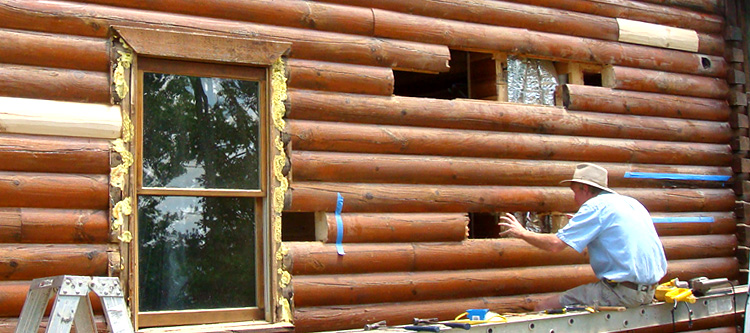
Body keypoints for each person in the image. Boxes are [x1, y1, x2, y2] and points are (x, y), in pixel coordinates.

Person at [498, 163, 667, 311]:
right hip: (649, 291)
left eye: (575, 192)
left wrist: (522, 233)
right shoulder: (631, 203)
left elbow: (555, 245)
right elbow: (617, 238)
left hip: (621, 293)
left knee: (544, 307)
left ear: (584, 189)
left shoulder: (595, 207)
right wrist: (583, 227)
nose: (575, 199)